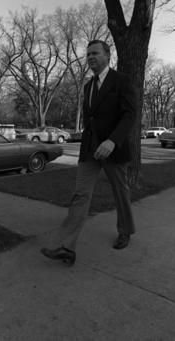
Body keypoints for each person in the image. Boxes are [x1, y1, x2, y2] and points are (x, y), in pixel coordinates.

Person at [40, 39, 137, 266]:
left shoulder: (122, 80)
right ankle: (66, 246)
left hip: (113, 148)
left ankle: (126, 230)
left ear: (107, 55)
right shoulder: (87, 86)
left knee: (120, 192)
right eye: (88, 54)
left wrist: (113, 141)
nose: (90, 57)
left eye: (95, 53)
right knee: (80, 195)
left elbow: (130, 115)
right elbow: (90, 119)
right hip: (90, 149)